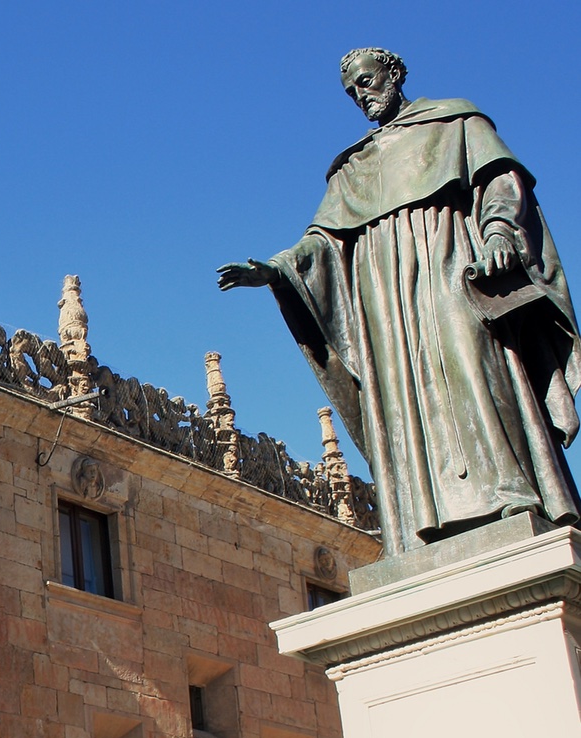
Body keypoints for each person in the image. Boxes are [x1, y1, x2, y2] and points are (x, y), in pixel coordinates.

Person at [217, 48, 581, 556]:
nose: (362, 94)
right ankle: (420, 521)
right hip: (385, 297)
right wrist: (277, 268)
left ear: (394, 74)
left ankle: (512, 492)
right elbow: (323, 242)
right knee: (404, 395)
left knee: (473, 362)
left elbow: (501, 181)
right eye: (352, 91)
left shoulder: (454, 120)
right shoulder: (353, 166)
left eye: (366, 81)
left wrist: (498, 230)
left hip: (450, 266)